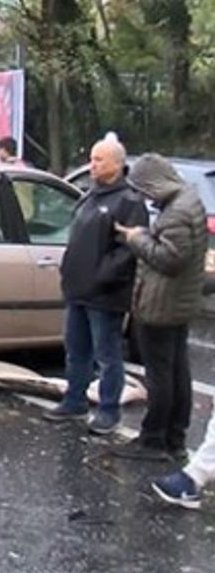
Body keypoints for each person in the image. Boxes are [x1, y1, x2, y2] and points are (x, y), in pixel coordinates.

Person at [42, 137, 148, 434]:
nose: (92, 165)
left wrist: (102, 275)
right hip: (77, 289)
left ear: (117, 164)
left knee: (107, 354)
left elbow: (129, 249)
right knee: (76, 349)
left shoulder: (128, 202)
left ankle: (108, 410)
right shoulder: (90, 196)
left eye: (99, 160)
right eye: (92, 158)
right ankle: (74, 400)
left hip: (105, 293)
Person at [108, 154, 205, 462]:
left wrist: (137, 238)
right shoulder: (188, 201)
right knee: (177, 371)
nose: (144, 197)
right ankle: (175, 438)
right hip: (177, 302)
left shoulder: (177, 214)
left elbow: (169, 260)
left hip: (161, 303)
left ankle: (153, 440)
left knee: (161, 375)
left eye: (144, 189)